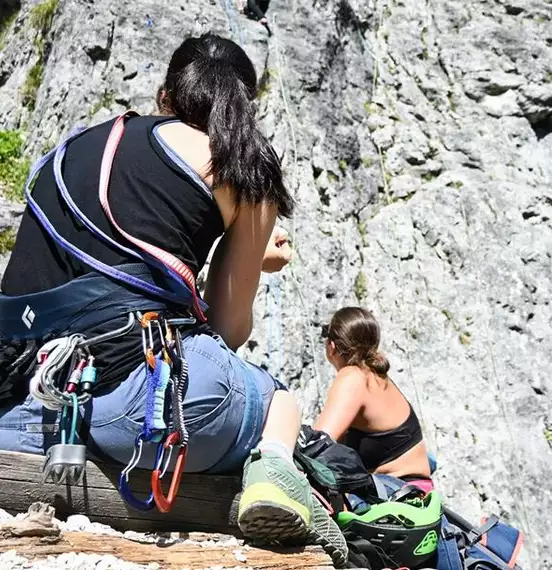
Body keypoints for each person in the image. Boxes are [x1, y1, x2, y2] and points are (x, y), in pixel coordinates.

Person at [0, 33, 345, 564]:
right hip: (144, 408)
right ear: (243, 107)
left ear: (165, 96)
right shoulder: (242, 167)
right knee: (281, 403)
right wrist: (253, 263)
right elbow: (227, 329)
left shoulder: (72, 147)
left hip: (26, 401)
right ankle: (274, 477)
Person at [314, 307, 433, 492]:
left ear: (332, 346)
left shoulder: (353, 377)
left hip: (396, 494)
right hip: (417, 491)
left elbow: (317, 442)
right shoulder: (378, 377)